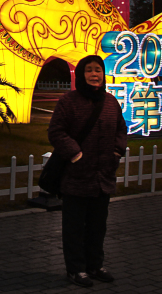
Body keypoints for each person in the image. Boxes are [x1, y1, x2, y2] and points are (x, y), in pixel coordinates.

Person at [47, 55, 127, 287]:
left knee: (97, 226)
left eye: (98, 70)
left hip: (103, 177)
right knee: (74, 227)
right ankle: (76, 269)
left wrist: (116, 153)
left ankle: (95, 265)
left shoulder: (111, 102)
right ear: (81, 74)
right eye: (89, 70)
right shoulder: (68, 101)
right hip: (76, 177)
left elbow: (121, 130)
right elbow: (57, 132)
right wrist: (76, 154)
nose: (94, 74)